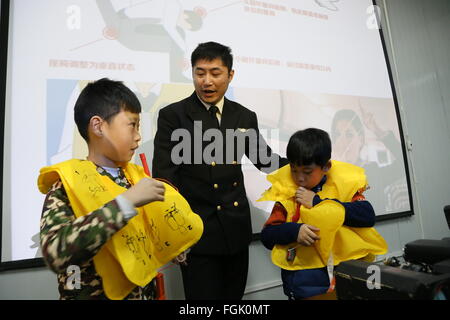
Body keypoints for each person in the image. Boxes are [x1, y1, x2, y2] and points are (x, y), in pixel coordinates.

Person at [152, 41, 288, 300]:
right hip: (197, 234)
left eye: (215, 73)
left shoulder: (243, 116)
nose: (206, 81)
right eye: (199, 73)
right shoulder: (174, 115)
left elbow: (265, 161)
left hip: (235, 230)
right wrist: (175, 234)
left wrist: (306, 163)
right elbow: (164, 178)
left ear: (230, 75)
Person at [38, 78, 169, 299]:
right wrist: (125, 203)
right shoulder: (68, 185)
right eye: (132, 124)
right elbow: (56, 252)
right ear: (98, 126)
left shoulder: (135, 179)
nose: (138, 136)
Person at [259, 128, 388, 300]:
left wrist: (317, 203)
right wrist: (295, 231)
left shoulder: (343, 187)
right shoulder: (288, 193)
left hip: (347, 278)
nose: (299, 178)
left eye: (307, 171)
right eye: (294, 169)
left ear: (326, 166)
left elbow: (367, 216)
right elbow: (267, 236)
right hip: (306, 287)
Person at [331, 108, 408, 213]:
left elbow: (402, 165)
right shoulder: (329, 176)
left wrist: (376, 129)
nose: (342, 141)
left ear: (361, 140)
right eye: (337, 135)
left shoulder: (372, 172)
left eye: (349, 135)